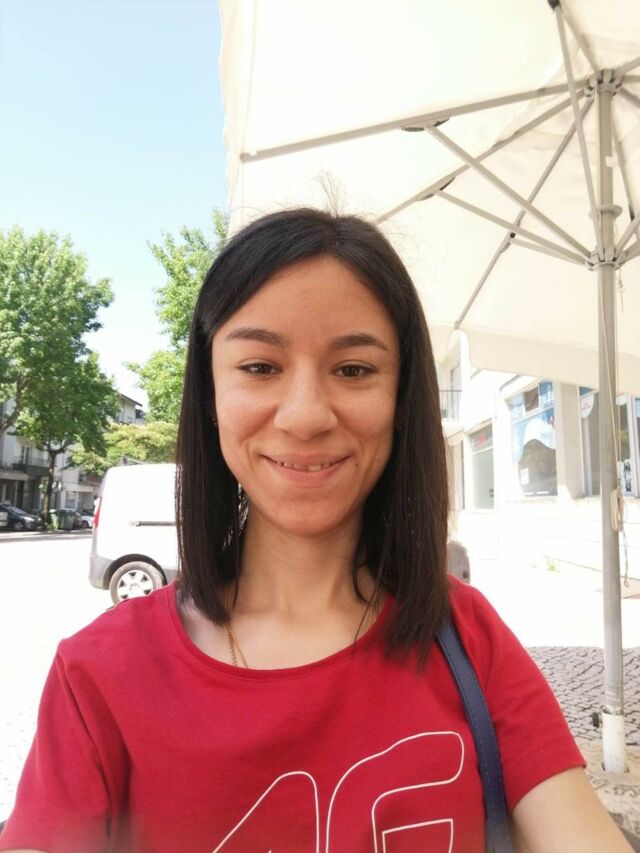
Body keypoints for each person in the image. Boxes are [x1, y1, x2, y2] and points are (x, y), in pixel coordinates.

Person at [0, 209, 631, 852]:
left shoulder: (468, 639)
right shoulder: (99, 673)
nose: (305, 417)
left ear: (400, 398)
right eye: (259, 367)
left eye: (354, 369)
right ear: (210, 394)